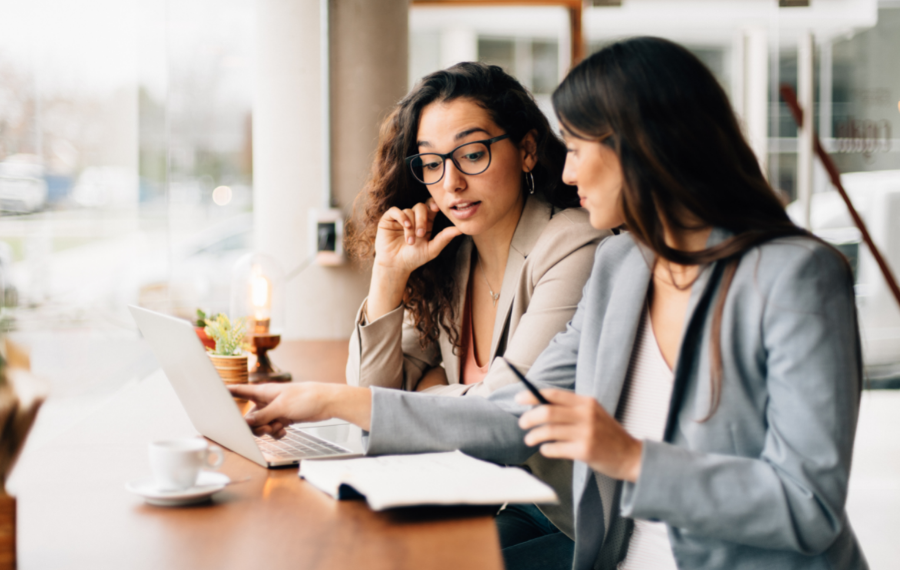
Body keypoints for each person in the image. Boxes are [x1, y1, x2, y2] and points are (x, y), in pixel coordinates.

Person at [231, 37, 866, 570]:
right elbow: (513, 415)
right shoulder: (624, 267)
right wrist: (324, 399)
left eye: (580, 148)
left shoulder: (796, 277)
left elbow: (808, 505)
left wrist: (630, 457)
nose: (569, 173)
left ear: (645, 149)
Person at [348, 62, 607, 555]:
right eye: (431, 162)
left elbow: (502, 415)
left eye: (472, 154)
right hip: (491, 497)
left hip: (571, 517)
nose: (451, 183)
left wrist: (432, 390)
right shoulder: (451, 254)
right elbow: (374, 402)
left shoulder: (572, 244)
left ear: (527, 150)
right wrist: (388, 275)